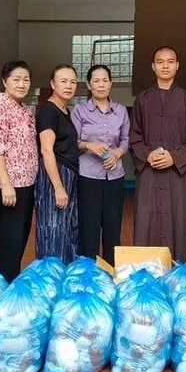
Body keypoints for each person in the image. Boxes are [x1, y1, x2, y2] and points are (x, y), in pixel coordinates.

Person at [129, 46, 186, 262]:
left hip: (177, 174)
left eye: (170, 61)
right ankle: (145, 273)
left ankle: (177, 272)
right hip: (148, 172)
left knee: (178, 222)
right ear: (153, 66)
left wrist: (175, 157)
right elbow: (133, 135)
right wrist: (146, 155)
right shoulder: (142, 100)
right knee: (146, 221)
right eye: (160, 61)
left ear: (177, 66)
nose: (165, 65)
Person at [72, 65, 130, 266]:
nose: (101, 84)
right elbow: (72, 142)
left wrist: (117, 153)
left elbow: (125, 140)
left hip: (115, 176)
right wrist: (89, 145)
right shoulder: (79, 111)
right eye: (96, 80)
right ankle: (89, 273)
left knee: (113, 226)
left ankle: (110, 270)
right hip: (88, 176)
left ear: (111, 83)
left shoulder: (121, 111)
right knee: (90, 226)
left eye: (105, 80)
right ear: (89, 85)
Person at [0, 60, 38, 282]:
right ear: (4, 81)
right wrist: (6, 184)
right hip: (9, 186)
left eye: (26, 79)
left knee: (19, 238)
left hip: (25, 183)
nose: (22, 83)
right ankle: (6, 290)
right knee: (10, 240)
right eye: (16, 79)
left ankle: (11, 283)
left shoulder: (23, 109)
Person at [35, 65, 80, 264]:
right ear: (52, 84)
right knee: (52, 231)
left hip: (68, 173)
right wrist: (58, 186)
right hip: (55, 176)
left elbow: (67, 144)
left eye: (72, 81)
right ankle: (50, 282)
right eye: (63, 81)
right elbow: (46, 150)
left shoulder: (64, 110)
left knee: (67, 231)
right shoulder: (48, 111)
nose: (68, 86)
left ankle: (64, 278)